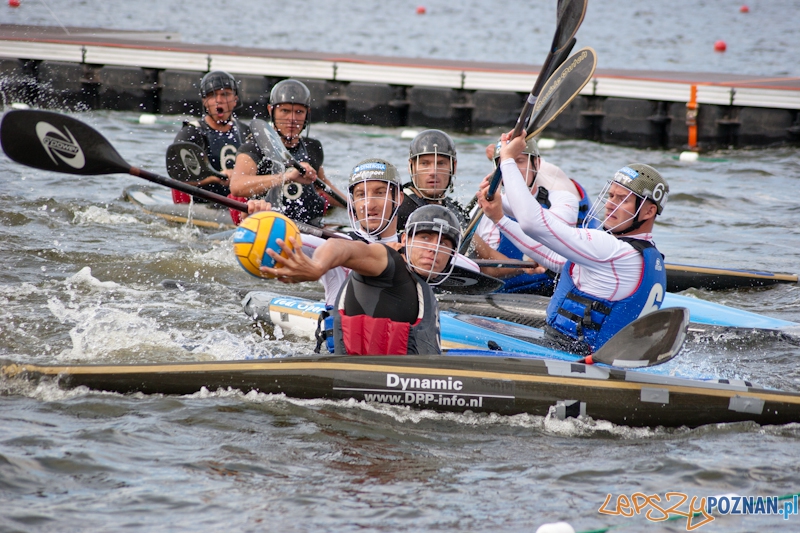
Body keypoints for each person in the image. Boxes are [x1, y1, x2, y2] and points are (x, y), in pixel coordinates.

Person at [477, 132, 669, 354]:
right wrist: (500, 217)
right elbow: (555, 260)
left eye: (622, 199)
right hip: (576, 350)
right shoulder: (641, 253)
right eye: (611, 196)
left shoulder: (612, 250)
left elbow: (533, 222)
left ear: (648, 211)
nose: (609, 205)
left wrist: (508, 159)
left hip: (574, 357)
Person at [261, 203, 462, 355]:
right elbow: (342, 248)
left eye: (444, 243)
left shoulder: (422, 289)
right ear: (404, 241)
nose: (433, 249)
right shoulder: (386, 263)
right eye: (425, 237)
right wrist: (318, 266)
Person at [470, 138, 594, 294]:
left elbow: (545, 226)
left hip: (549, 294)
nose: (513, 170)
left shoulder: (564, 199)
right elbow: (484, 265)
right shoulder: (483, 209)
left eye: (520, 161)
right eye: (508, 163)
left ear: (537, 164)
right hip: (503, 296)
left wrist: (498, 215)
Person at [229, 79, 344, 226]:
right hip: (269, 225)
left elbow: (324, 186)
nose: (292, 119)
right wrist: (287, 177)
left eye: (299, 112)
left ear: (307, 114)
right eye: (285, 111)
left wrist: (355, 206)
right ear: (271, 111)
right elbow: (237, 186)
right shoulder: (253, 147)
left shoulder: (312, 147)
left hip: (309, 226)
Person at [171, 70, 250, 203]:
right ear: (205, 101)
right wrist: (216, 178)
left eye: (225, 94)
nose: (219, 101)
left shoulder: (246, 132)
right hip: (201, 205)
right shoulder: (192, 132)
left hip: (236, 204)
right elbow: (178, 175)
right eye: (212, 96)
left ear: (235, 100)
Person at [395, 129, 469, 231]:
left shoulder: (458, 212)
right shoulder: (396, 209)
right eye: (424, 163)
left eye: (441, 163)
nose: (433, 172)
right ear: (411, 166)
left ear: (453, 167)